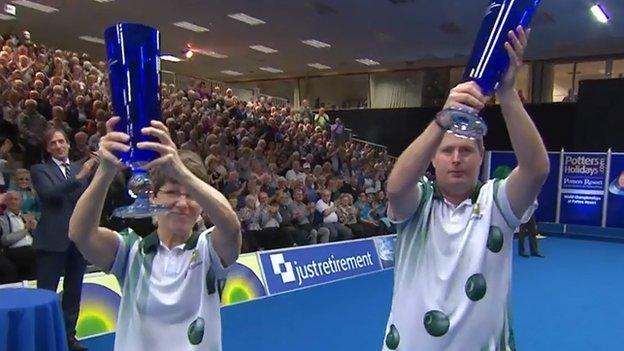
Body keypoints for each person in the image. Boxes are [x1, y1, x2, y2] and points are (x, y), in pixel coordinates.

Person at [381, 27, 550, 351]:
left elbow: (536, 169)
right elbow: (395, 187)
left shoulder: (497, 202)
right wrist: (441, 120)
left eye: (467, 151)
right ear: (433, 158)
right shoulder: (419, 204)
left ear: (480, 157)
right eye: (447, 150)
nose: (456, 159)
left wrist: (508, 94)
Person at [68, 117, 241, 351]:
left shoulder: (209, 249)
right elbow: (80, 234)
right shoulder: (130, 250)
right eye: (171, 192)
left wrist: (181, 171)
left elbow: (232, 228)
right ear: (152, 197)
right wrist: (105, 171)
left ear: (202, 203)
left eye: (191, 194)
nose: (182, 203)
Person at [31, 128, 98, 351]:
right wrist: (80, 177)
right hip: (52, 240)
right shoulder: (40, 170)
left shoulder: (82, 167)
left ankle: (69, 337)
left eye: (61, 142)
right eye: (53, 144)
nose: (59, 146)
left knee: (74, 291)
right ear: (47, 149)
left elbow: (90, 198)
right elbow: (50, 194)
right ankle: (43, 339)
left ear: (68, 144)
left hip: (78, 240)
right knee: (46, 293)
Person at [0, 191, 36, 280]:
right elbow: (5, 240)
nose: (13, 201)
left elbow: (37, 236)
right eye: (10, 199)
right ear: (6, 202)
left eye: (16, 199)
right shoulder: (3, 218)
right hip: (13, 250)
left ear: (21, 202)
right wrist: (26, 230)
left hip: (31, 247)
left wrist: (35, 228)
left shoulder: (27, 216)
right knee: (37, 254)